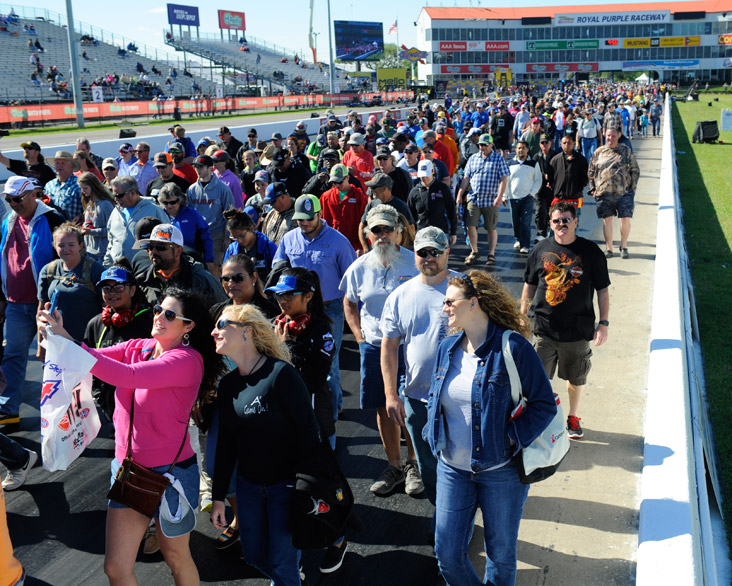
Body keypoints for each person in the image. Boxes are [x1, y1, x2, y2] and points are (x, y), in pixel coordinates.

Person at [40, 288, 224, 586]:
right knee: (115, 568)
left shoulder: (187, 361)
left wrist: (68, 344)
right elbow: (93, 358)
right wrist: (61, 337)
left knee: (176, 557)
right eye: (158, 310)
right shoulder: (138, 346)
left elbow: (129, 376)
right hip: (130, 472)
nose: (159, 317)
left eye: (170, 315)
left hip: (171, 476)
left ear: (188, 326)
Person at [427, 270, 557, 586]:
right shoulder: (447, 348)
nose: (444, 308)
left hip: (501, 471)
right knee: (447, 554)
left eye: (449, 302)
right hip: (452, 469)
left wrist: (511, 439)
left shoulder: (513, 348)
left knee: (500, 557)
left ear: (474, 303)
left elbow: (544, 404)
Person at [210, 304, 321, 586]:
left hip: (285, 488)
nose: (213, 332)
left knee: (283, 564)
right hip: (248, 488)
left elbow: (309, 432)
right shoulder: (228, 385)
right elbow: (225, 444)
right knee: (255, 556)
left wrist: (307, 488)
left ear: (247, 331)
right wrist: (219, 496)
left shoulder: (280, 374)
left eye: (222, 324)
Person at [341, 205, 422, 496]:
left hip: (409, 348)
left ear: (399, 231)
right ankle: (394, 466)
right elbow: (349, 302)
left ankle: (415, 464)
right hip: (374, 348)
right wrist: (360, 336)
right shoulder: (359, 266)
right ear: (368, 234)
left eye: (388, 229)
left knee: (411, 406)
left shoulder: (415, 263)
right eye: (377, 230)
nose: (383, 235)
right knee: (384, 407)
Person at [380, 227, 461, 507]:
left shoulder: (466, 289)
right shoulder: (400, 296)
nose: (429, 258)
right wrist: (392, 395)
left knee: (459, 468)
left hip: (458, 400)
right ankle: (442, 522)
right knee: (429, 471)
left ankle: (455, 524)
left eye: (435, 252)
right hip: (417, 400)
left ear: (447, 253)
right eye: (423, 252)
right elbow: (389, 346)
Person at [521, 201, 610, 439]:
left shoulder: (591, 252)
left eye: (566, 220)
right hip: (543, 328)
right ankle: (542, 417)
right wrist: (521, 316)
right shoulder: (540, 250)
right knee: (537, 379)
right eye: (557, 220)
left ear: (575, 222)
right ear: (550, 224)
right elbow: (529, 285)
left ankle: (572, 416)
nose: (561, 224)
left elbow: (602, 290)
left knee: (576, 377)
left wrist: (603, 323)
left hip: (577, 330)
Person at [273, 195, 357, 420]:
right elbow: (278, 267)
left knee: (329, 361)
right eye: (300, 219)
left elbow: (350, 277)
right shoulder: (289, 239)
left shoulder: (338, 241)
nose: (304, 223)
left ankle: (331, 412)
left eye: (309, 218)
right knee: (296, 358)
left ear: (320, 215)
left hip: (331, 309)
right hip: (297, 311)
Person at [0, 176, 64, 425]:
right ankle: (8, 410)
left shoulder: (52, 219)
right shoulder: (8, 221)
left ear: (32, 195)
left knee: (51, 358)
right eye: (8, 199)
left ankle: (60, 414)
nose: (13, 204)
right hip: (15, 302)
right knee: (13, 356)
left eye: (17, 199)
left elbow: (67, 256)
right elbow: (3, 259)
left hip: (47, 304)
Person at [83, 261, 154, 421]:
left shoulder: (151, 321)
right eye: (106, 288)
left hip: (143, 406)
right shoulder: (96, 323)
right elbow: (87, 364)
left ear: (133, 290)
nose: (112, 293)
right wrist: (97, 396)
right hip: (108, 406)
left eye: (119, 287)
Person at [38, 223, 104, 341]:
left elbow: (107, 307)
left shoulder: (95, 270)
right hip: (56, 341)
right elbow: (41, 311)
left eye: (71, 245)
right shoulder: (48, 271)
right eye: (61, 245)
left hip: (88, 342)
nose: (66, 249)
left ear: (80, 245)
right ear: (54, 246)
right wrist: (41, 345)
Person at [134, 224, 227, 306]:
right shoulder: (142, 281)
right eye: (150, 247)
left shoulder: (202, 279)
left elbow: (224, 310)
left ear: (178, 251)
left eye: (160, 247)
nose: (153, 251)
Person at [456, 134, 509, 267]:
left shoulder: (498, 159)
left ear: (491, 144)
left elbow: (504, 179)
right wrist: (460, 193)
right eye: (480, 145)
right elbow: (466, 178)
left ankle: (491, 254)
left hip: (490, 199)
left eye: (485, 144)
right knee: (470, 225)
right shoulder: (473, 159)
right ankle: (474, 251)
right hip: (474, 198)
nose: (482, 147)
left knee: (491, 228)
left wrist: (499, 196)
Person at [588, 128, 640, 259]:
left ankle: (624, 246)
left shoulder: (625, 151)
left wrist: (633, 186)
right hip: (604, 192)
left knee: (625, 218)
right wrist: (593, 189)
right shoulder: (599, 152)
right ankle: (609, 248)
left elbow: (635, 169)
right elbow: (591, 171)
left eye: (613, 136)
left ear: (618, 136)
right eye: (608, 136)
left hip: (624, 192)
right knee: (607, 221)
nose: (610, 138)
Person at [104, 176, 168, 267]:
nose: (116, 199)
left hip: (144, 269)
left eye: (119, 196)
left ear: (133, 193)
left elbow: (167, 240)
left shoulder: (154, 210)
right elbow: (111, 241)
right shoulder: (115, 212)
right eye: (114, 196)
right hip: (118, 270)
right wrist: (107, 264)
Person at [157, 183, 215, 272]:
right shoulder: (159, 215)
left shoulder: (192, 214)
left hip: (192, 259)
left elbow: (206, 237)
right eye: (165, 202)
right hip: (167, 261)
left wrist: (209, 259)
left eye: (173, 202)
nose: (169, 206)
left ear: (180, 200)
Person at [211, 254, 279, 321]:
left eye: (238, 278)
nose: (230, 284)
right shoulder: (216, 312)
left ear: (254, 277)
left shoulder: (271, 314)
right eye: (225, 279)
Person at [319, 164, 368, 253]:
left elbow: (365, 224)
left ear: (348, 178)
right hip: (331, 246)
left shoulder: (359, 196)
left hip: (353, 248)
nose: (337, 185)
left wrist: (362, 246)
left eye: (340, 182)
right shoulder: (325, 197)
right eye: (334, 182)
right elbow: (319, 222)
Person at [504, 140, 542, 254]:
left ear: (527, 149)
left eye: (523, 148)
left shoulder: (533, 163)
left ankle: (525, 244)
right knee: (515, 221)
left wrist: (532, 192)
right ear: (516, 150)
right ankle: (518, 238)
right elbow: (506, 181)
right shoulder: (510, 164)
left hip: (527, 197)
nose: (521, 150)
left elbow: (538, 179)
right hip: (513, 197)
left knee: (525, 221)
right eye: (519, 148)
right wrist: (504, 195)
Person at [408, 160, 458, 245]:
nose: (424, 178)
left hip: (440, 232)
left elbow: (451, 211)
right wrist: (412, 233)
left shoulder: (443, 188)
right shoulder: (414, 192)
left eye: (426, 175)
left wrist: (453, 232)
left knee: (440, 257)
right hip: (422, 234)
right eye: (422, 175)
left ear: (433, 171)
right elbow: (410, 215)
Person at [222, 208, 277, 284]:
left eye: (242, 236)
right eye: (234, 237)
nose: (239, 240)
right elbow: (225, 273)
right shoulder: (232, 250)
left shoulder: (268, 247)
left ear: (251, 228)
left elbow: (277, 271)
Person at [78, 172, 115, 263]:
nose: (83, 191)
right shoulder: (90, 202)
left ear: (93, 187)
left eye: (85, 188)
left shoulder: (106, 204)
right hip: (90, 250)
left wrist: (91, 231)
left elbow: (112, 230)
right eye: (82, 188)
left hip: (103, 253)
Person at [549, 134, 589, 214]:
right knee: (559, 220)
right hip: (559, 196)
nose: (567, 145)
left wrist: (579, 187)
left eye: (569, 143)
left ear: (573, 144)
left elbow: (585, 177)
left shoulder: (581, 159)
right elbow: (551, 177)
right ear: (561, 144)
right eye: (564, 143)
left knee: (574, 221)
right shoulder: (555, 160)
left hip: (575, 197)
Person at [44, 151, 82, 222]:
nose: (59, 166)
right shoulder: (49, 185)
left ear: (71, 167)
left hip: (73, 228)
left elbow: (89, 207)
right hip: (53, 228)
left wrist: (81, 216)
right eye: (57, 163)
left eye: (63, 163)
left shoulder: (79, 184)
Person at [533, 134, 556, 242]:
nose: (544, 145)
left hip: (552, 189)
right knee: (539, 211)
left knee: (550, 211)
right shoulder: (536, 157)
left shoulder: (556, 156)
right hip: (539, 188)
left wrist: (551, 179)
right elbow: (533, 173)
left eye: (546, 142)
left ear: (550, 143)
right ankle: (541, 232)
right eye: (542, 142)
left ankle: (550, 231)